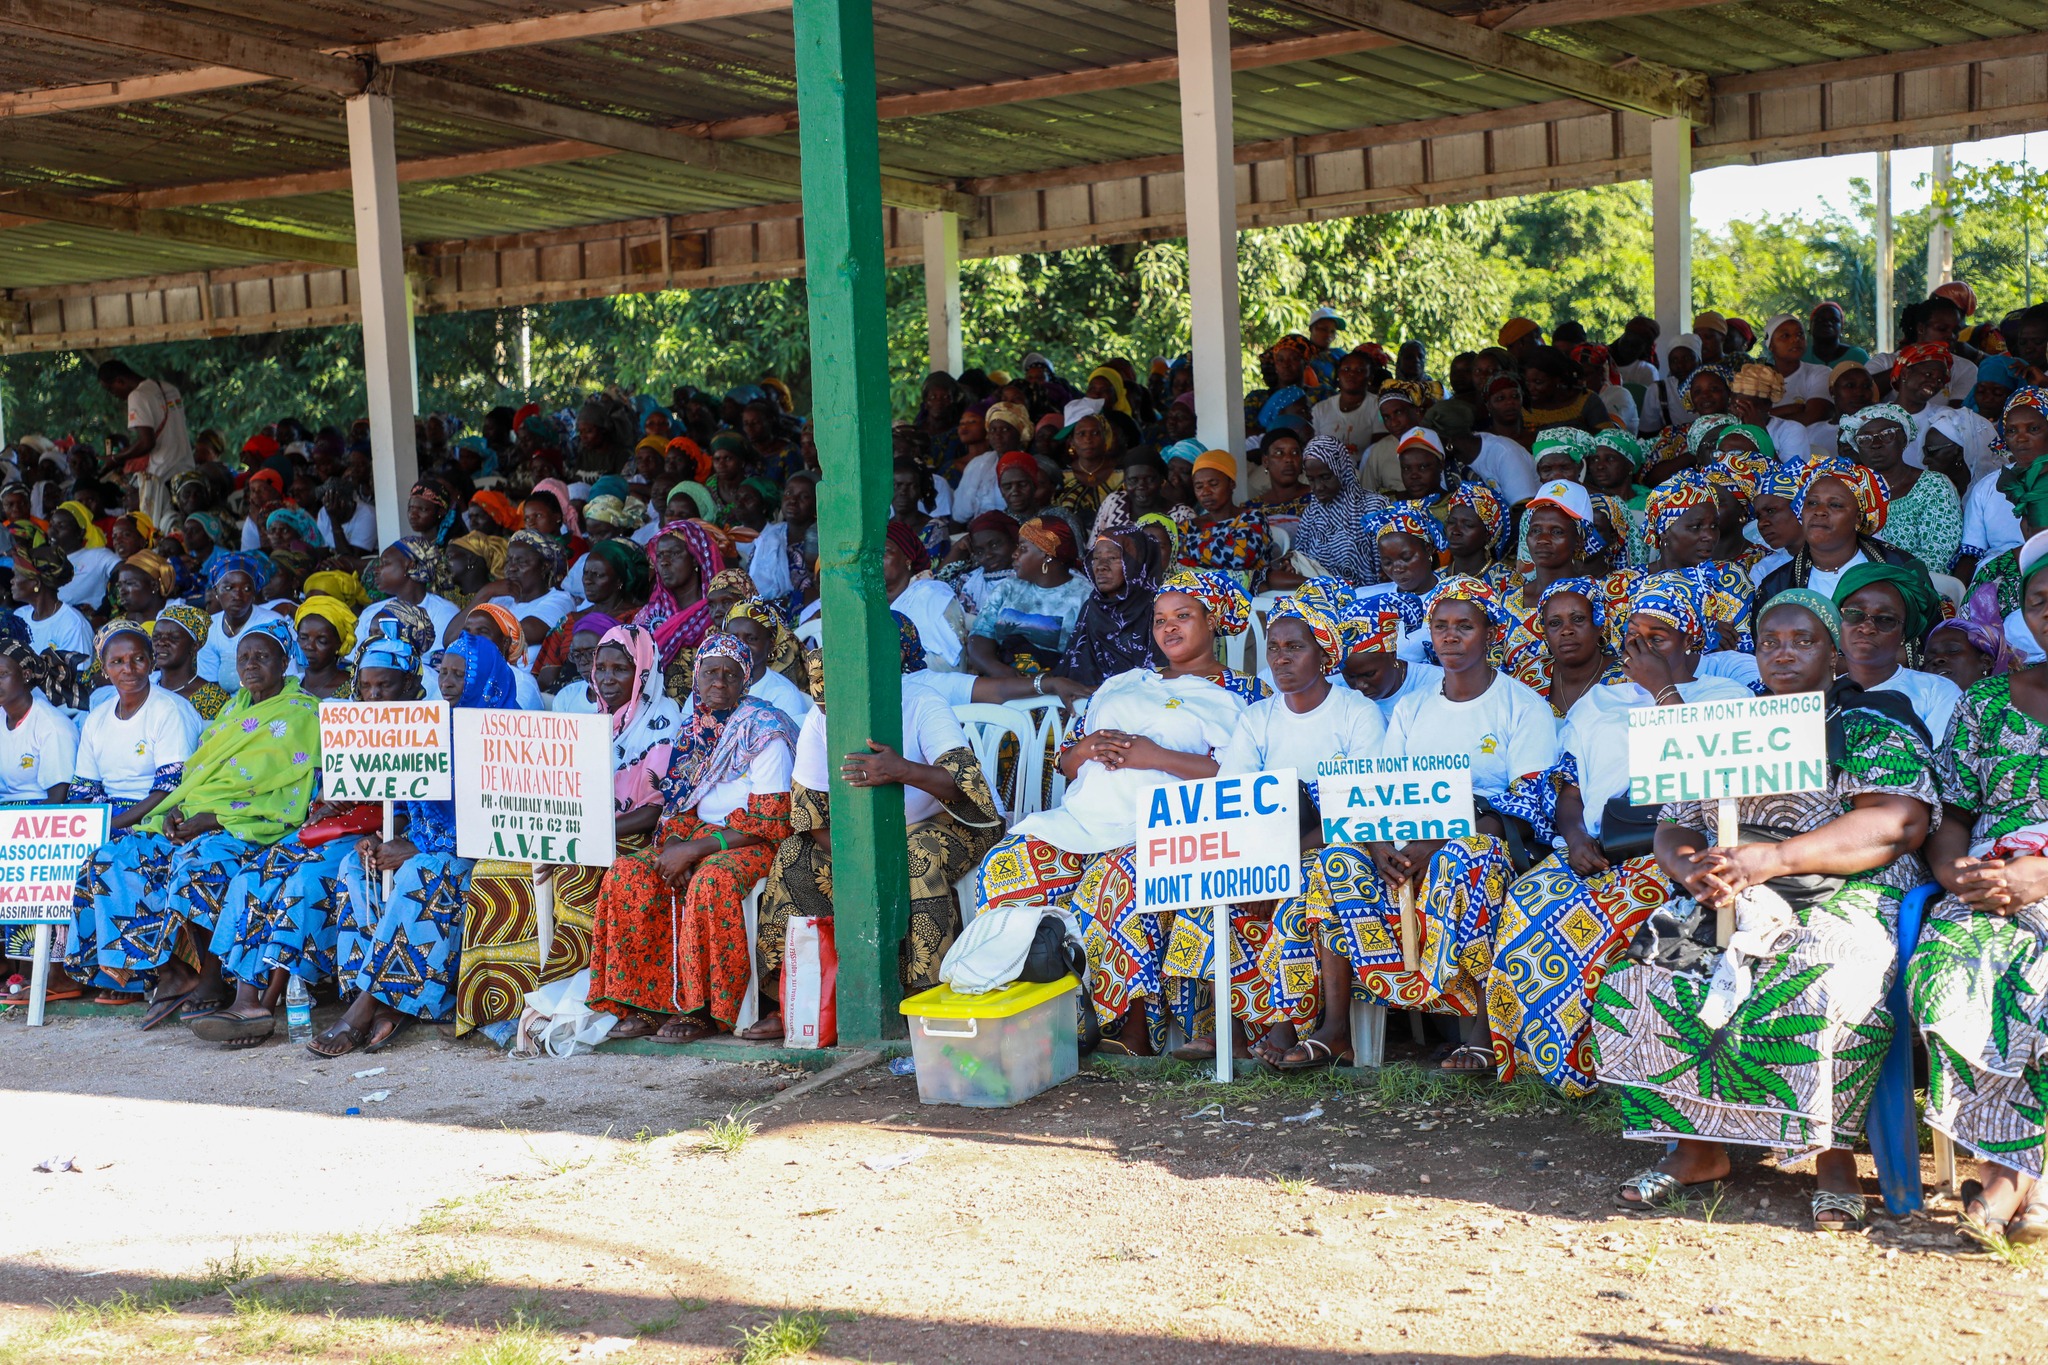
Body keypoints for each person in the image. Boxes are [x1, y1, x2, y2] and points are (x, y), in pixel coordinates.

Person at [1595, 590, 1938, 1230]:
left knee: (1820, 978)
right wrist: (1689, 868)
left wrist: (1773, 859)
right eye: (1771, 641)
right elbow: (1673, 823)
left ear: (1835, 652)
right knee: (1646, 972)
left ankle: (1832, 1159)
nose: (1785, 653)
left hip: (1844, 894)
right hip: (1731, 891)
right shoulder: (1728, 728)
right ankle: (1696, 1150)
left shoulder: (1871, 724)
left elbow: (1899, 823)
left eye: (1804, 640)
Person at [1487, 574, 1756, 1095]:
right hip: (1597, 845)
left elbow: (1712, 767)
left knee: (1596, 921)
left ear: (1692, 638)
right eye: (1634, 639)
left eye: (1659, 638)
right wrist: (1575, 837)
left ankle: (1613, 1065)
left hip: (1678, 851)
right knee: (1527, 901)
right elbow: (1568, 785)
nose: (1643, 650)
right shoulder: (1598, 703)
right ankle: (1542, 1060)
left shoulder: (1727, 694)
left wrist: (1661, 689)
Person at [1302, 576, 1556, 1071]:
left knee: (1469, 857)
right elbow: (1376, 789)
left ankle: (1483, 1032)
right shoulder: (1413, 708)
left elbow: (1526, 805)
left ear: (1489, 633)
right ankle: (1336, 1030)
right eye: (1440, 626)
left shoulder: (1521, 706)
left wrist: (1437, 841)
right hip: (1403, 851)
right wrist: (1378, 847)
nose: (1450, 636)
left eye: (1465, 626)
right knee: (1336, 860)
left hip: (1480, 845)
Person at [748, 617, 1005, 1039]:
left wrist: (899, 769)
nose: (835, 711)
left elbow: (962, 786)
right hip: (861, 837)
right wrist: (855, 860)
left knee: (916, 855)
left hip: (947, 820)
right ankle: (796, 999)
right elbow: (811, 811)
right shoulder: (820, 718)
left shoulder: (922, 702)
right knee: (794, 859)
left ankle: (923, 997)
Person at [1907, 528, 2048, 1240]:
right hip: (1987, 884)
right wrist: (1952, 871)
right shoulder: (1984, 705)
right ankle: (2024, 1174)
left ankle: (2007, 1178)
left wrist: (2041, 876)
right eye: (2039, 599)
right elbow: (1954, 813)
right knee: (1947, 972)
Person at [92, 619, 320, 1044]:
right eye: (243, 657)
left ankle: (212, 978)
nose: (250, 665)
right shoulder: (233, 709)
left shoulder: (302, 713)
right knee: (115, 857)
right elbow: (197, 775)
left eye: (261, 657)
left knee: (200, 861)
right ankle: (171, 972)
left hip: (255, 826)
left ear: (285, 662)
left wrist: (213, 820)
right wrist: (175, 812)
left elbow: (291, 797)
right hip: (199, 814)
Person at [586, 632, 797, 1042]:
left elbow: (772, 821)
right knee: (628, 874)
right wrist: (672, 850)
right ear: (696, 677)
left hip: (752, 841)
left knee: (711, 881)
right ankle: (646, 1003)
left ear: (746, 681)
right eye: (710, 673)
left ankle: (705, 1011)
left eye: (730, 675)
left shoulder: (763, 731)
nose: (719, 682)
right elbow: (678, 804)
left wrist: (695, 852)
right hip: (694, 835)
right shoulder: (695, 727)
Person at [315, 631, 514, 1054]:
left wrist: (417, 849)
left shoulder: (503, 733)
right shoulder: (430, 727)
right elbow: (407, 803)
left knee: (422, 871)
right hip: (424, 845)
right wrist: (383, 838)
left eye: (461, 674)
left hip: (473, 857)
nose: (448, 681)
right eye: (443, 671)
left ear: (486, 679)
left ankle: (366, 1007)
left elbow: (501, 821)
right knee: (356, 866)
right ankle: (382, 999)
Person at [1225, 591, 1387, 1069]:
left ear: (1323, 652)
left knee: (1313, 879)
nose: (1280, 658)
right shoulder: (1257, 719)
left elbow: (1362, 806)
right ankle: (1228, 1030)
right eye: (1273, 647)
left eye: (1294, 647)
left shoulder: (1356, 713)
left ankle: (1304, 1026)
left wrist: (1281, 862)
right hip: (1269, 843)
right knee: (1215, 892)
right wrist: (1260, 864)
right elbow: (1232, 800)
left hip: (1339, 843)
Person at [61, 623, 204, 1009]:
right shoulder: (98, 718)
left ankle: (151, 971)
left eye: (138, 659)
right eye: (117, 662)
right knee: (67, 859)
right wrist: (87, 825)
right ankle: (106, 975)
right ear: (103, 667)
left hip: (157, 817)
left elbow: (169, 789)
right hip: (109, 814)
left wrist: (111, 826)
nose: (129, 669)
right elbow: (83, 789)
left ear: (151, 662)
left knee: (110, 859)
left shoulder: (169, 711)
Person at [1831, 561, 1961, 739]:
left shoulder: (1937, 692)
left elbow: (1940, 761)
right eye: (1854, 614)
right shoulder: (1820, 698)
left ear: (1903, 635)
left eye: (1885, 619)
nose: (1867, 627)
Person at [964, 515, 1091, 677]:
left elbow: (1085, 659)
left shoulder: (1084, 598)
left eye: (1023, 549)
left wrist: (1041, 684)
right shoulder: (1007, 588)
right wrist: (1002, 672)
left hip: (1057, 688)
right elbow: (980, 636)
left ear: (1047, 555)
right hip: (1002, 684)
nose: (1014, 554)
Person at [1841, 404, 1961, 574]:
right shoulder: (1847, 491)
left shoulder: (1934, 486)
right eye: (1864, 439)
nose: (1875, 444)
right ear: (1857, 447)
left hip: (1917, 585)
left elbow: (1938, 556)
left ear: (1904, 439)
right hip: (1854, 581)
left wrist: (1882, 578)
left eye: (1887, 435)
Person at [1057, 527, 1164, 686]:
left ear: (1137, 563)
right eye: (1096, 558)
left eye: (1113, 557)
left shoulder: (1157, 608)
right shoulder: (1092, 606)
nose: (1101, 566)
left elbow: (1162, 673)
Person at [98, 360, 192, 528]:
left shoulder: (138, 395)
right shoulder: (169, 388)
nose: (114, 395)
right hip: (188, 472)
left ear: (120, 381)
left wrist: (115, 458)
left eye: (110, 389)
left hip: (164, 475)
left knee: (160, 531)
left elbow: (147, 442)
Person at [1289, 436, 1380, 583]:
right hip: (1322, 598)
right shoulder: (1311, 514)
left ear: (1342, 470)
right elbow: (1302, 563)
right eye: (1311, 479)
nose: (1318, 487)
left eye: (1325, 477)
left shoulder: (1373, 508)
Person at [883, 520, 966, 672]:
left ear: (907, 559)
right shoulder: (870, 603)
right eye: (872, 554)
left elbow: (949, 665)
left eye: (885, 551)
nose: (875, 560)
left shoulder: (932, 595)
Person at [195, 554, 282, 691]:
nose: (237, 596)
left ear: (254, 593)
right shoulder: (209, 627)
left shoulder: (272, 623)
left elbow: (286, 678)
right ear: (216, 591)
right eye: (228, 588)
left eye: (246, 589)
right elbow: (210, 684)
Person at [152, 606, 234, 719]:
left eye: (174, 638)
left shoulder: (211, 698)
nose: (161, 643)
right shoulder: (147, 685)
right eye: (156, 637)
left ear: (194, 646)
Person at [11, 544, 92, 655]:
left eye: (16, 575)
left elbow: (79, 671)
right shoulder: (20, 616)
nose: (12, 581)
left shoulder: (72, 625)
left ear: (36, 583)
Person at [294, 595, 357, 700]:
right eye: (303, 638)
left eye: (321, 641)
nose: (309, 646)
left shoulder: (355, 690)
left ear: (339, 644)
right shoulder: (289, 685)